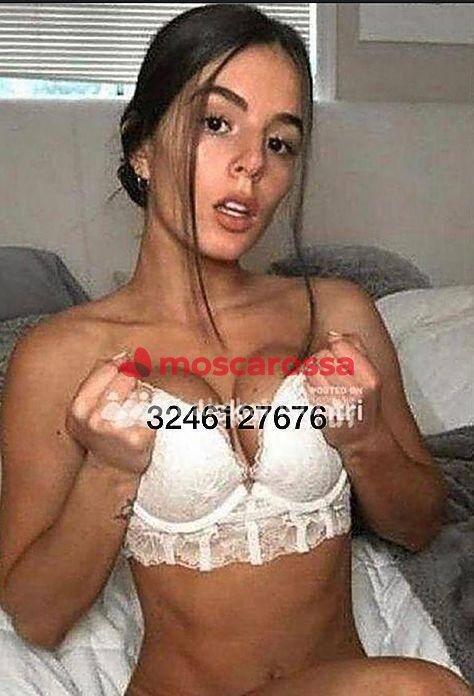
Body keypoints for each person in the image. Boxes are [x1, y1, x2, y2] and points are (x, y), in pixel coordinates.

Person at [0, 5, 470, 695]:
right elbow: (36, 618)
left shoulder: (335, 313)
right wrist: (108, 471)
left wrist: (366, 438)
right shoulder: (59, 356)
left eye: (280, 143)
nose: (252, 163)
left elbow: (421, 522)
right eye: (216, 123)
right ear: (141, 146)